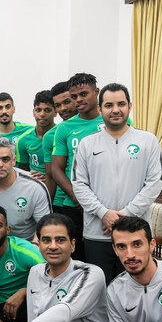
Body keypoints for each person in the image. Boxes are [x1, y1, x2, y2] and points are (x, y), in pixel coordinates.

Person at [72, 83, 162, 283]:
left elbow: (155, 183)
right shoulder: (87, 144)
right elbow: (79, 184)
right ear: (100, 109)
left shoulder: (148, 141)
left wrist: (127, 215)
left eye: (121, 104)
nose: (115, 110)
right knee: (98, 290)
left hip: (136, 233)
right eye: (109, 105)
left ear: (129, 106)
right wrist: (103, 213)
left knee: (136, 288)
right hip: (97, 233)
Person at [51, 72, 103, 262]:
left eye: (83, 94)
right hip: (73, 205)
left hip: (106, 204)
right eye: (74, 96)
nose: (79, 100)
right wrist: (77, 197)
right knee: (77, 259)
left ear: (96, 92)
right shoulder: (65, 128)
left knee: (103, 258)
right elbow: (57, 169)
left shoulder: (112, 121)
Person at [44, 81, 78, 225]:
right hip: (64, 203)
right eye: (58, 105)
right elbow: (51, 175)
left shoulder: (102, 124)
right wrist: (48, 209)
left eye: (67, 102)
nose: (63, 108)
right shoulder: (50, 136)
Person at [16, 90, 56, 182]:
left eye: (47, 110)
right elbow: (23, 172)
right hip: (36, 188)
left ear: (55, 112)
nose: (42, 114)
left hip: (60, 189)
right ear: (33, 112)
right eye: (38, 110)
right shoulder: (23, 140)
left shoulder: (61, 135)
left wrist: (48, 178)